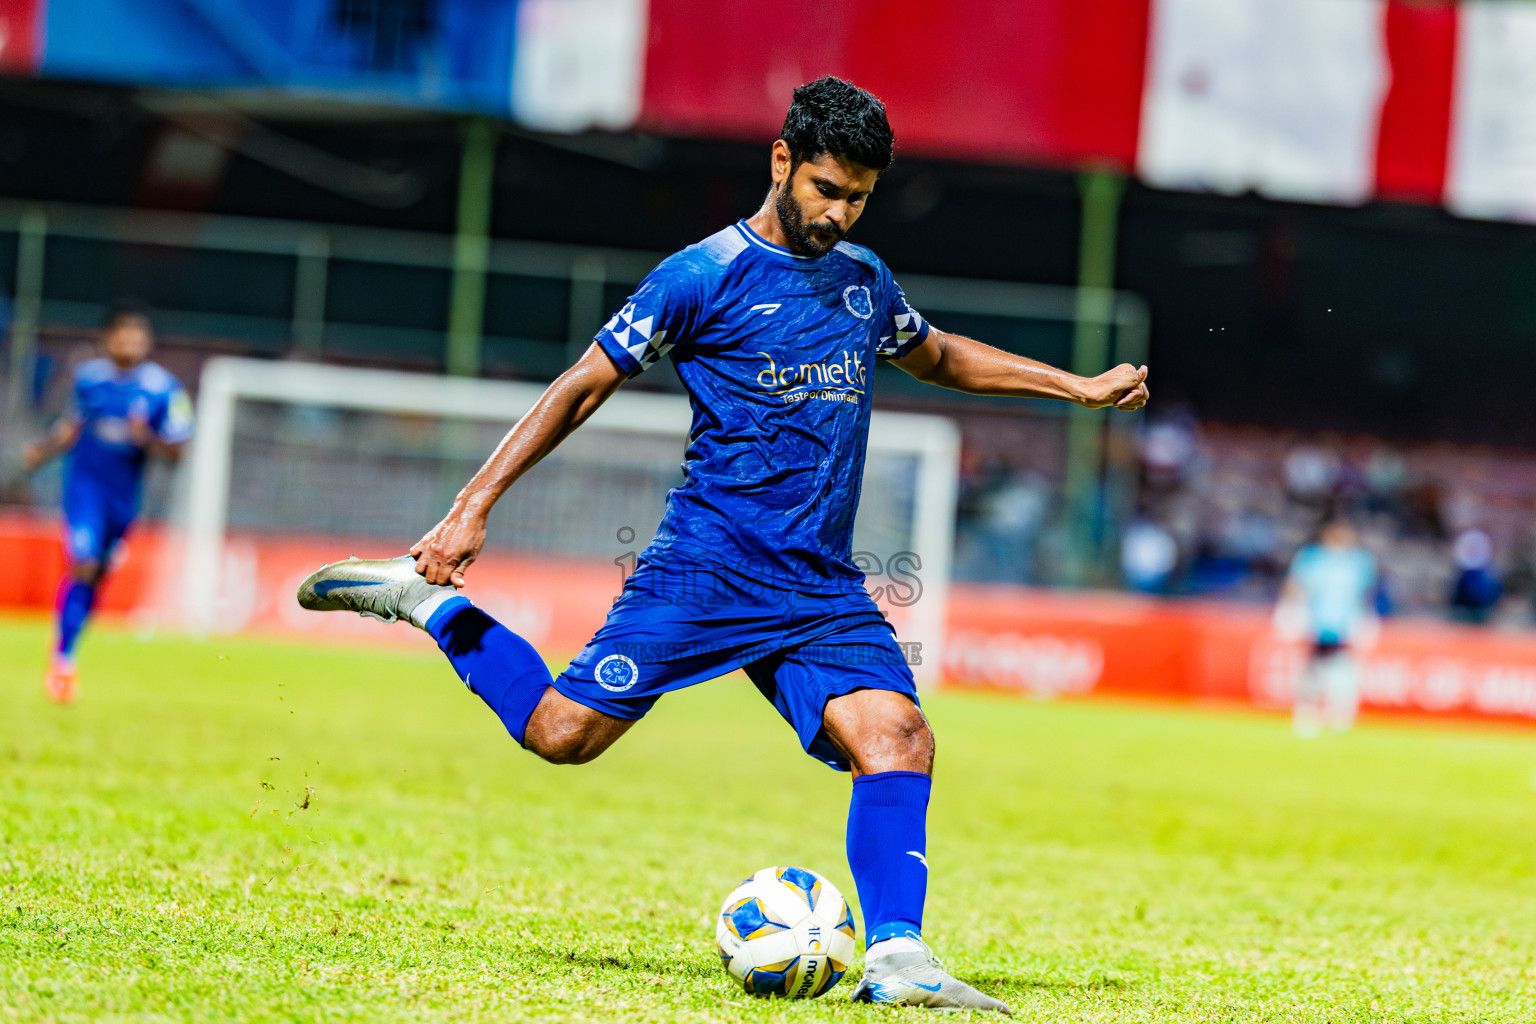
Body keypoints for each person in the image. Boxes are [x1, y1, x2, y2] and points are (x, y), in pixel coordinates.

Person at [297, 77, 1147, 1011]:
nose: (840, 211)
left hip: (818, 582)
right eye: (827, 187)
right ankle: (432, 607)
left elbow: (936, 354)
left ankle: (898, 957)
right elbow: (583, 383)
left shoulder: (864, 280)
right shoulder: (701, 276)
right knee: (562, 735)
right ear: (781, 160)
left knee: (899, 737)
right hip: (708, 566)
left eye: (859, 196)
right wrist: (472, 506)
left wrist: (1076, 387)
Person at [23, 306, 194, 703]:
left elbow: (177, 453)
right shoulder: (87, 380)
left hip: (123, 501)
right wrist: (43, 451)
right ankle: (62, 662)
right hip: (85, 489)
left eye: (137, 336)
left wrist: (145, 437)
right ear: (107, 339)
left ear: (148, 342)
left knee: (94, 574)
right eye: (122, 335)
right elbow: (71, 428)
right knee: (82, 561)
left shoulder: (163, 389)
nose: (129, 343)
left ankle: (69, 644)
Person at [1274, 517, 1378, 737]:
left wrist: (1366, 620)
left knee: (1343, 672)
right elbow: (1296, 585)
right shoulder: (1312, 558)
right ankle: (1307, 714)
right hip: (1317, 622)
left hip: (1345, 623)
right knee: (1311, 670)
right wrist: (1291, 612)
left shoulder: (1359, 562)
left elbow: (1366, 593)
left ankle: (1340, 715)